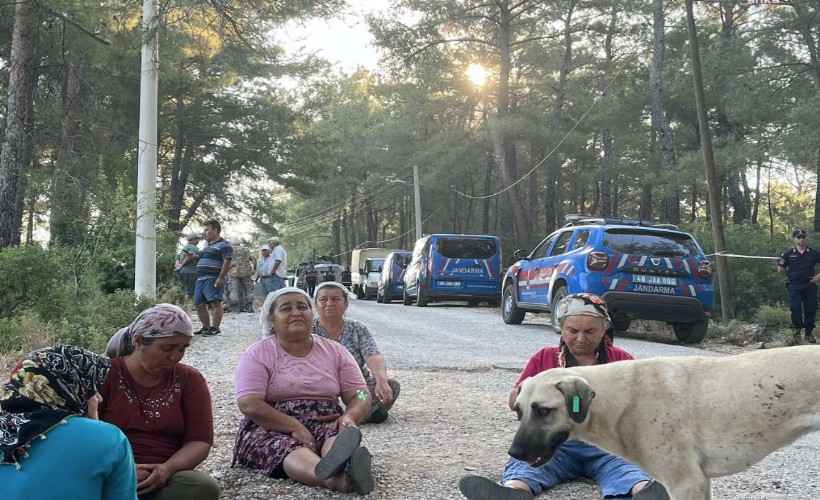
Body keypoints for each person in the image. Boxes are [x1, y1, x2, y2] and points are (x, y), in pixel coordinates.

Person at [458, 293, 668, 500]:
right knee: (527, 467)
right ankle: (513, 491)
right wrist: (529, 394)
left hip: (608, 446)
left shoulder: (620, 359)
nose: (580, 338)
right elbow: (514, 401)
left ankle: (646, 492)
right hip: (557, 446)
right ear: (561, 328)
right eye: (573, 330)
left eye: (590, 331)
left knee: (629, 468)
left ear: (604, 330)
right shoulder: (545, 357)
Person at [233, 287, 375, 495]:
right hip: (272, 425)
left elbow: (361, 394)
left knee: (335, 435)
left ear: (311, 314)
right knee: (287, 447)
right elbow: (248, 403)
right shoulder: (257, 354)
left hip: (325, 419)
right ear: (271, 319)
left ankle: (342, 463)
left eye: (302, 307)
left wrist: (350, 416)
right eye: (286, 308)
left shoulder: (336, 351)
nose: (296, 312)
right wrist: (293, 426)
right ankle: (337, 481)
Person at [101, 304, 220, 500]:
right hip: (108, 472)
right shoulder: (105, 374)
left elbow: (200, 441)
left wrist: (166, 469)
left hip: (164, 478)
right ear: (138, 341)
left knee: (202, 487)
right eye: (168, 348)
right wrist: (123, 471)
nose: (175, 357)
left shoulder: (189, 379)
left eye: (182, 349)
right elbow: (85, 433)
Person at [1, 345, 137, 499]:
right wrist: (95, 426)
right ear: (69, 388)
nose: (99, 398)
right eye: (92, 389)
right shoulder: (108, 438)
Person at [312, 281, 400, 424]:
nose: (329, 303)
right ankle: (362, 415)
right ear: (316, 304)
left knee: (391, 386)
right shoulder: (309, 330)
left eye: (335, 299)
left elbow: (373, 355)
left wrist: (381, 380)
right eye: (323, 299)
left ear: (346, 304)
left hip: (355, 391)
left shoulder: (357, 328)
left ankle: (339, 416)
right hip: (322, 390)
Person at [778, 229, 820, 344]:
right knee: (795, 309)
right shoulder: (788, 254)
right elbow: (781, 269)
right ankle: (796, 334)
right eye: (799, 237)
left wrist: (817, 277)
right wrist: (791, 275)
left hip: (809, 284)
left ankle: (808, 333)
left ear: (806, 238)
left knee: (811, 309)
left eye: (803, 237)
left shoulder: (814, 253)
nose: (801, 239)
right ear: (794, 239)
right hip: (794, 285)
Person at [195, 219, 233, 336]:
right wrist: (194, 258)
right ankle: (206, 327)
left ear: (215, 230)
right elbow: (203, 260)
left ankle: (215, 328)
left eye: (207, 230)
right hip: (201, 278)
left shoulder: (224, 245)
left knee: (215, 302)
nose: (205, 232)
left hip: (213, 277)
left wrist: (221, 278)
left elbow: (226, 262)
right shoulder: (206, 246)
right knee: (199, 303)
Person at [227, 239, 255, 313]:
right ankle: (249, 306)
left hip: (233, 272)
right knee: (248, 289)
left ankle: (236, 308)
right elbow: (254, 258)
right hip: (246, 272)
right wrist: (254, 269)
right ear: (239, 243)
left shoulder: (229, 250)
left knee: (233, 289)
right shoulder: (246, 250)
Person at [175, 232, 201, 310]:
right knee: (191, 289)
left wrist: (178, 267)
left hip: (182, 272)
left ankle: (188, 305)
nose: (198, 240)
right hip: (191, 272)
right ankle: (186, 306)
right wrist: (181, 265)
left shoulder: (184, 247)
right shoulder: (193, 248)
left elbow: (177, 259)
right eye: (197, 238)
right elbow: (189, 258)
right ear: (193, 239)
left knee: (186, 289)